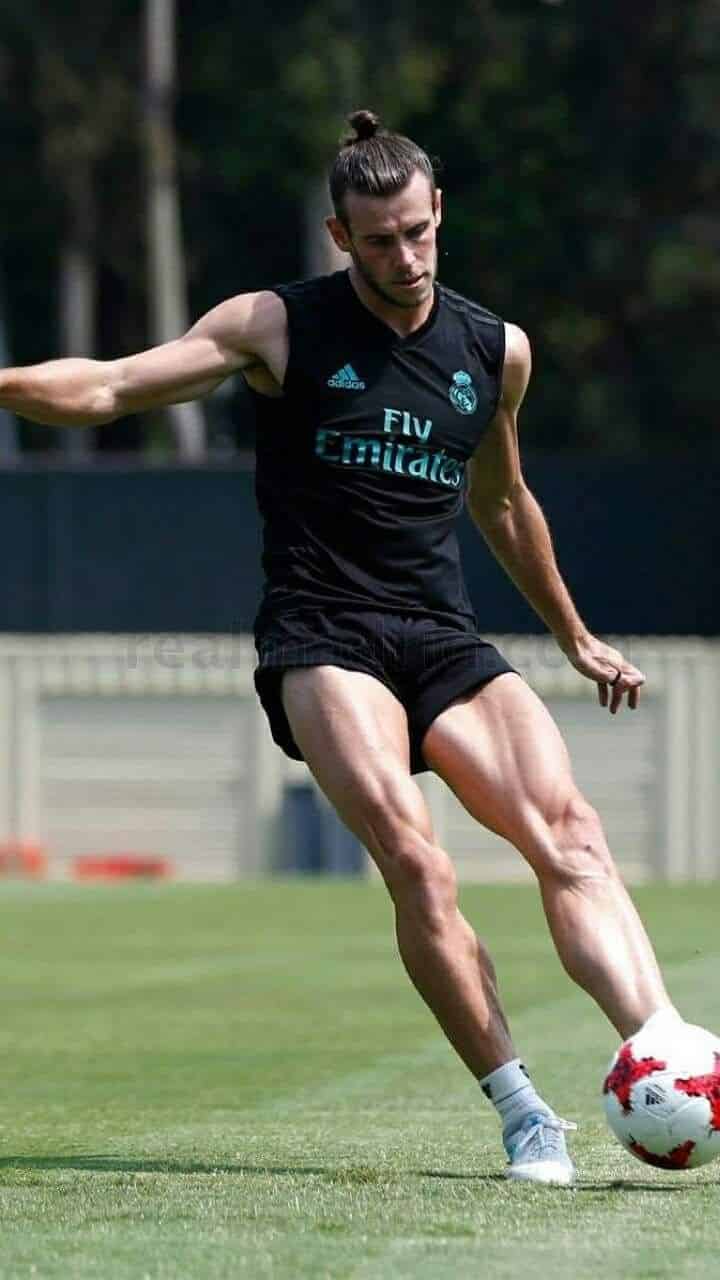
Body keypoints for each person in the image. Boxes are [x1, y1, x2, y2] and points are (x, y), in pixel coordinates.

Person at [0, 109, 681, 1185]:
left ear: (438, 211)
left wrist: (575, 633)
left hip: (440, 632)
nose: (404, 258)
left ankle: (668, 1054)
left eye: (418, 232)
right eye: (378, 241)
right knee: (417, 857)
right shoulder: (276, 326)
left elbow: (504, 501)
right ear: (338, 236)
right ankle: (524, 1112)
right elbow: (113, 385)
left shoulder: (494, 349)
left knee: (571, 834)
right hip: (323, 629)